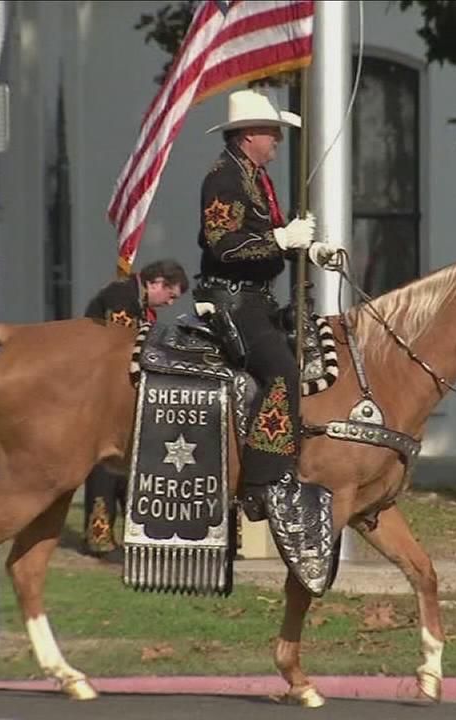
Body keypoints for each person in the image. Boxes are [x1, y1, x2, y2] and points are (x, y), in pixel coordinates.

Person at [193, 88, 338, 522]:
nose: (277, 141)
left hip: (259, 297)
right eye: (272, 133)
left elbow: (271, 240)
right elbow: (224, 246)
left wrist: (308, 251)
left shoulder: (255, 177)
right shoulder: (224, 179)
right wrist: (280, 239)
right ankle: (261, 483)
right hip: (232, 300)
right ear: (247, 136)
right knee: (282, 372)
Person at [80, 258, 188, 556]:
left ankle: (126, 535)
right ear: (157, 283)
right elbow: (122, 347)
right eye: (171, 295)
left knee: (124, 471)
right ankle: (98, 538)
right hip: (102, 395)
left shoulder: (137, 302)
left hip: (113, 394)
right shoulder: (122, 297)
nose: (170, 302)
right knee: (104, 470)